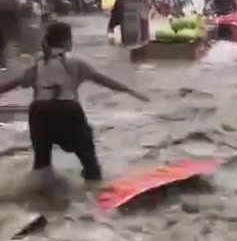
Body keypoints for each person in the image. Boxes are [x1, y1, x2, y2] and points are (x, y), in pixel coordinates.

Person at [0, 22, 150, 181]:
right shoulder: (75, 62)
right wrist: (129, 90)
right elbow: (103, 80)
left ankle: (36, 196)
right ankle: (93, 194)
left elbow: (13, 83)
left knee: (42, 166)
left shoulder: (37, 63)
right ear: (66, 41)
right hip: (68, 111)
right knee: (90, 163)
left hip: (39, 112)